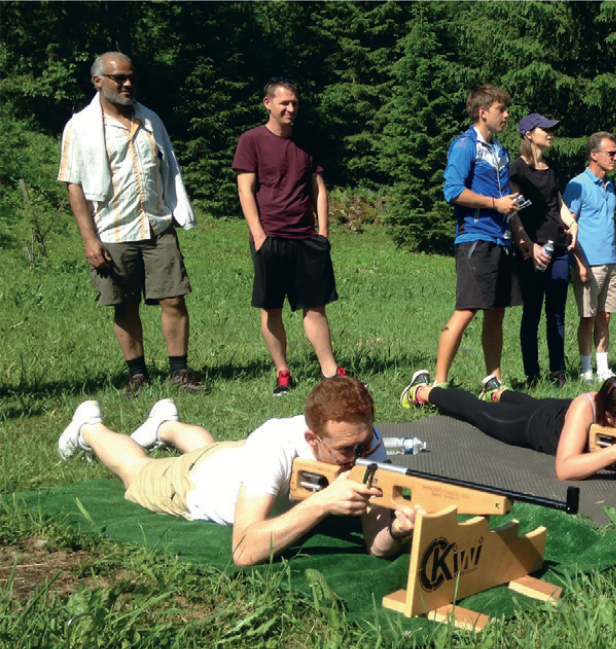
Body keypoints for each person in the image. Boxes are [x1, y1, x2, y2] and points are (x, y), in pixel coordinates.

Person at [57, 377, 422, 567]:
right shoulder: (275, 443)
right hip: (197, 484)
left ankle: (165, 424)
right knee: (137, 471)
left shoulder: (366, 442)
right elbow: (244, 550)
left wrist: (397, 531)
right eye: (345, 450)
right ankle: (89, 427)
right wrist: (321, 503)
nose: (357, 458)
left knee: (207, 448)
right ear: (312, 438)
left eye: (363, 444)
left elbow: (376, 546)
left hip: (233, 458)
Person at [58, 52, 205, 397]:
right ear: (98, 81)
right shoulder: (80, 126)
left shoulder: (149, 119)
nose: (128, 84)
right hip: (112, 230)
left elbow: (168, 166)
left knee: (174, 299)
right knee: (124, 304)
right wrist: (89, 240)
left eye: (131, 77)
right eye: (119, 78)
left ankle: (179, 371)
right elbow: (74, 185)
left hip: (156, 225)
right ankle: (138, 374)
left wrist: (175, 210)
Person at [233, 77, 348, 396]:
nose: (291, 108)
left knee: (316, 306)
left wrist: (323, 233)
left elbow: (318, 188)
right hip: (270, 237)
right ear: (267, 103)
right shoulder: (251, 140)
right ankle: (282, 372)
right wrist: (259, 235)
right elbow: (245, 190)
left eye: (294, 103)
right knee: (271, 308)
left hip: (306, 237)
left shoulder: (306, 141)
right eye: (284, 102)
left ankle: (329, 370)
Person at [399, 369, 616, 482]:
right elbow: (564, 469)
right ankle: (423, 390)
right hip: (537, 425)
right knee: (482, 413)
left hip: (555, 409)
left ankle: (497, 391)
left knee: (527, 402)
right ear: (607, 417)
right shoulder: (587, 407)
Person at [435, 85, 533, 390]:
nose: (507, 115)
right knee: (466, 311)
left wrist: (521, 236)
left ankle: (494, 382)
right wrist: (494, 204)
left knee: (496, 313)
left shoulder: (499, 150)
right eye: (500, 109)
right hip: (475, 239)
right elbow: (453, 191)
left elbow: (506, 201)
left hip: (502, 240)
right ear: (482, 112)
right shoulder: (465, 145)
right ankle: (438, 385)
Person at [509, 113, 577, 388]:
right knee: (533, 312)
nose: (550, 133)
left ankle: (557, 372)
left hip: (558, 248)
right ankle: (532, 375)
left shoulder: (550, 169)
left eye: (551, 129)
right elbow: (513, 211)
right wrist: (528, 243)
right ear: (528, 134)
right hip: (532, 250)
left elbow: (557, 204)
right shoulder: (517, 169)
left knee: (557, 312)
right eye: (544, 129)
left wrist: (573, 224)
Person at [564, 132, 616, 383]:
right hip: (588, 262)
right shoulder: (577, 185)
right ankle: (585, 369)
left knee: (605, 316)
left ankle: (603, 368)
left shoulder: (609, 185)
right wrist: (579, 262)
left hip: (611, 261)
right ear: (594, 155)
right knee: (588, 317)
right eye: (611, 153)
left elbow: (612, 223)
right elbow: (568, 226)